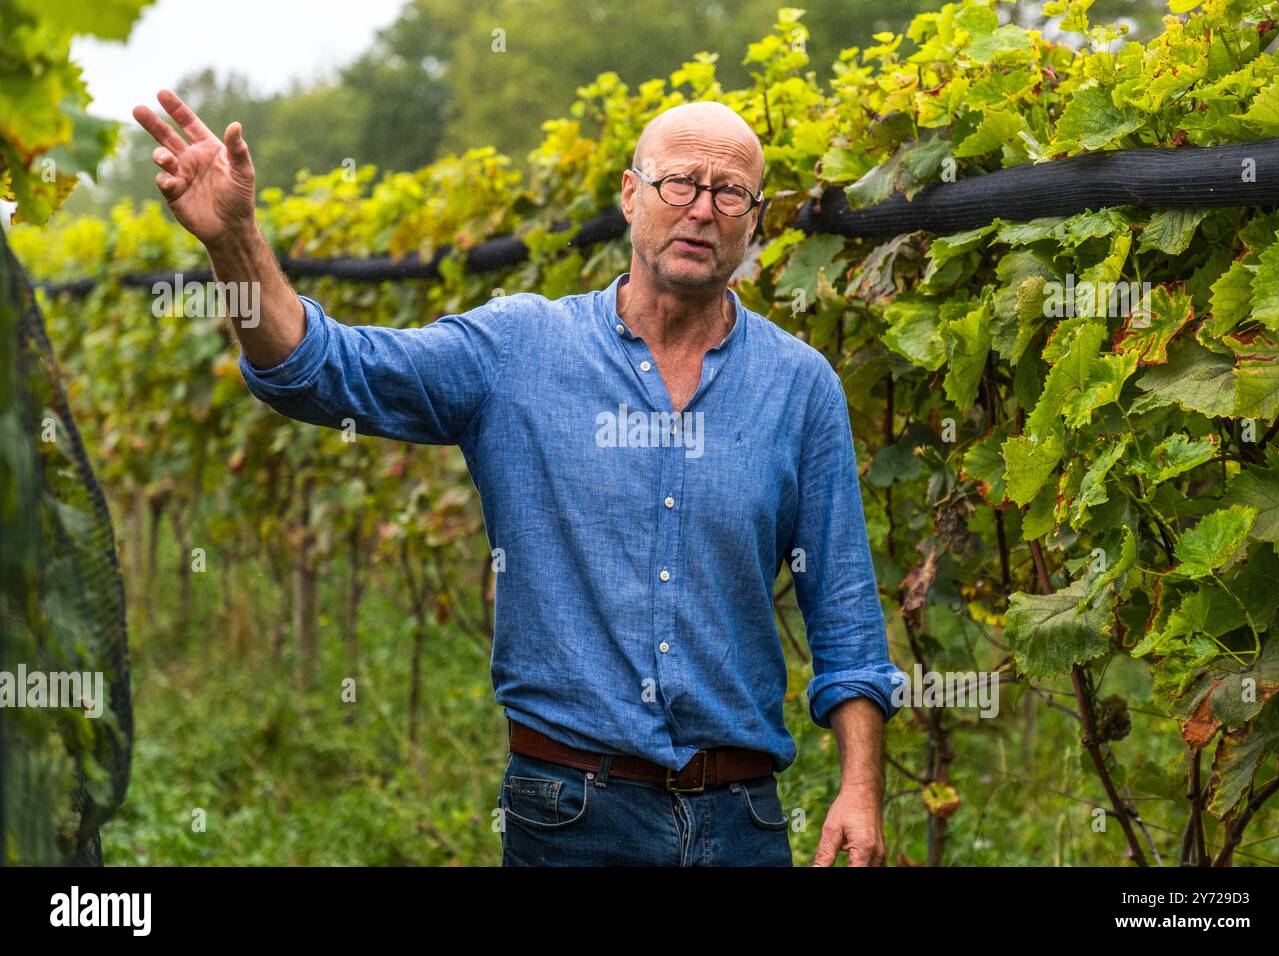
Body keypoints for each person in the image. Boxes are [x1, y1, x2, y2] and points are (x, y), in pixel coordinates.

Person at [132, 90, 909, 867]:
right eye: (679, 183)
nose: (702, 209)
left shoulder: (800, 386)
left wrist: (860, 788)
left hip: (745, 823)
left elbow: (843, 610)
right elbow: (317, 371)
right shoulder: (518, 350)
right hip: (571, 818)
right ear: (631, 194)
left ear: (756, 217)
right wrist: (236, 242)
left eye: (729, 191)